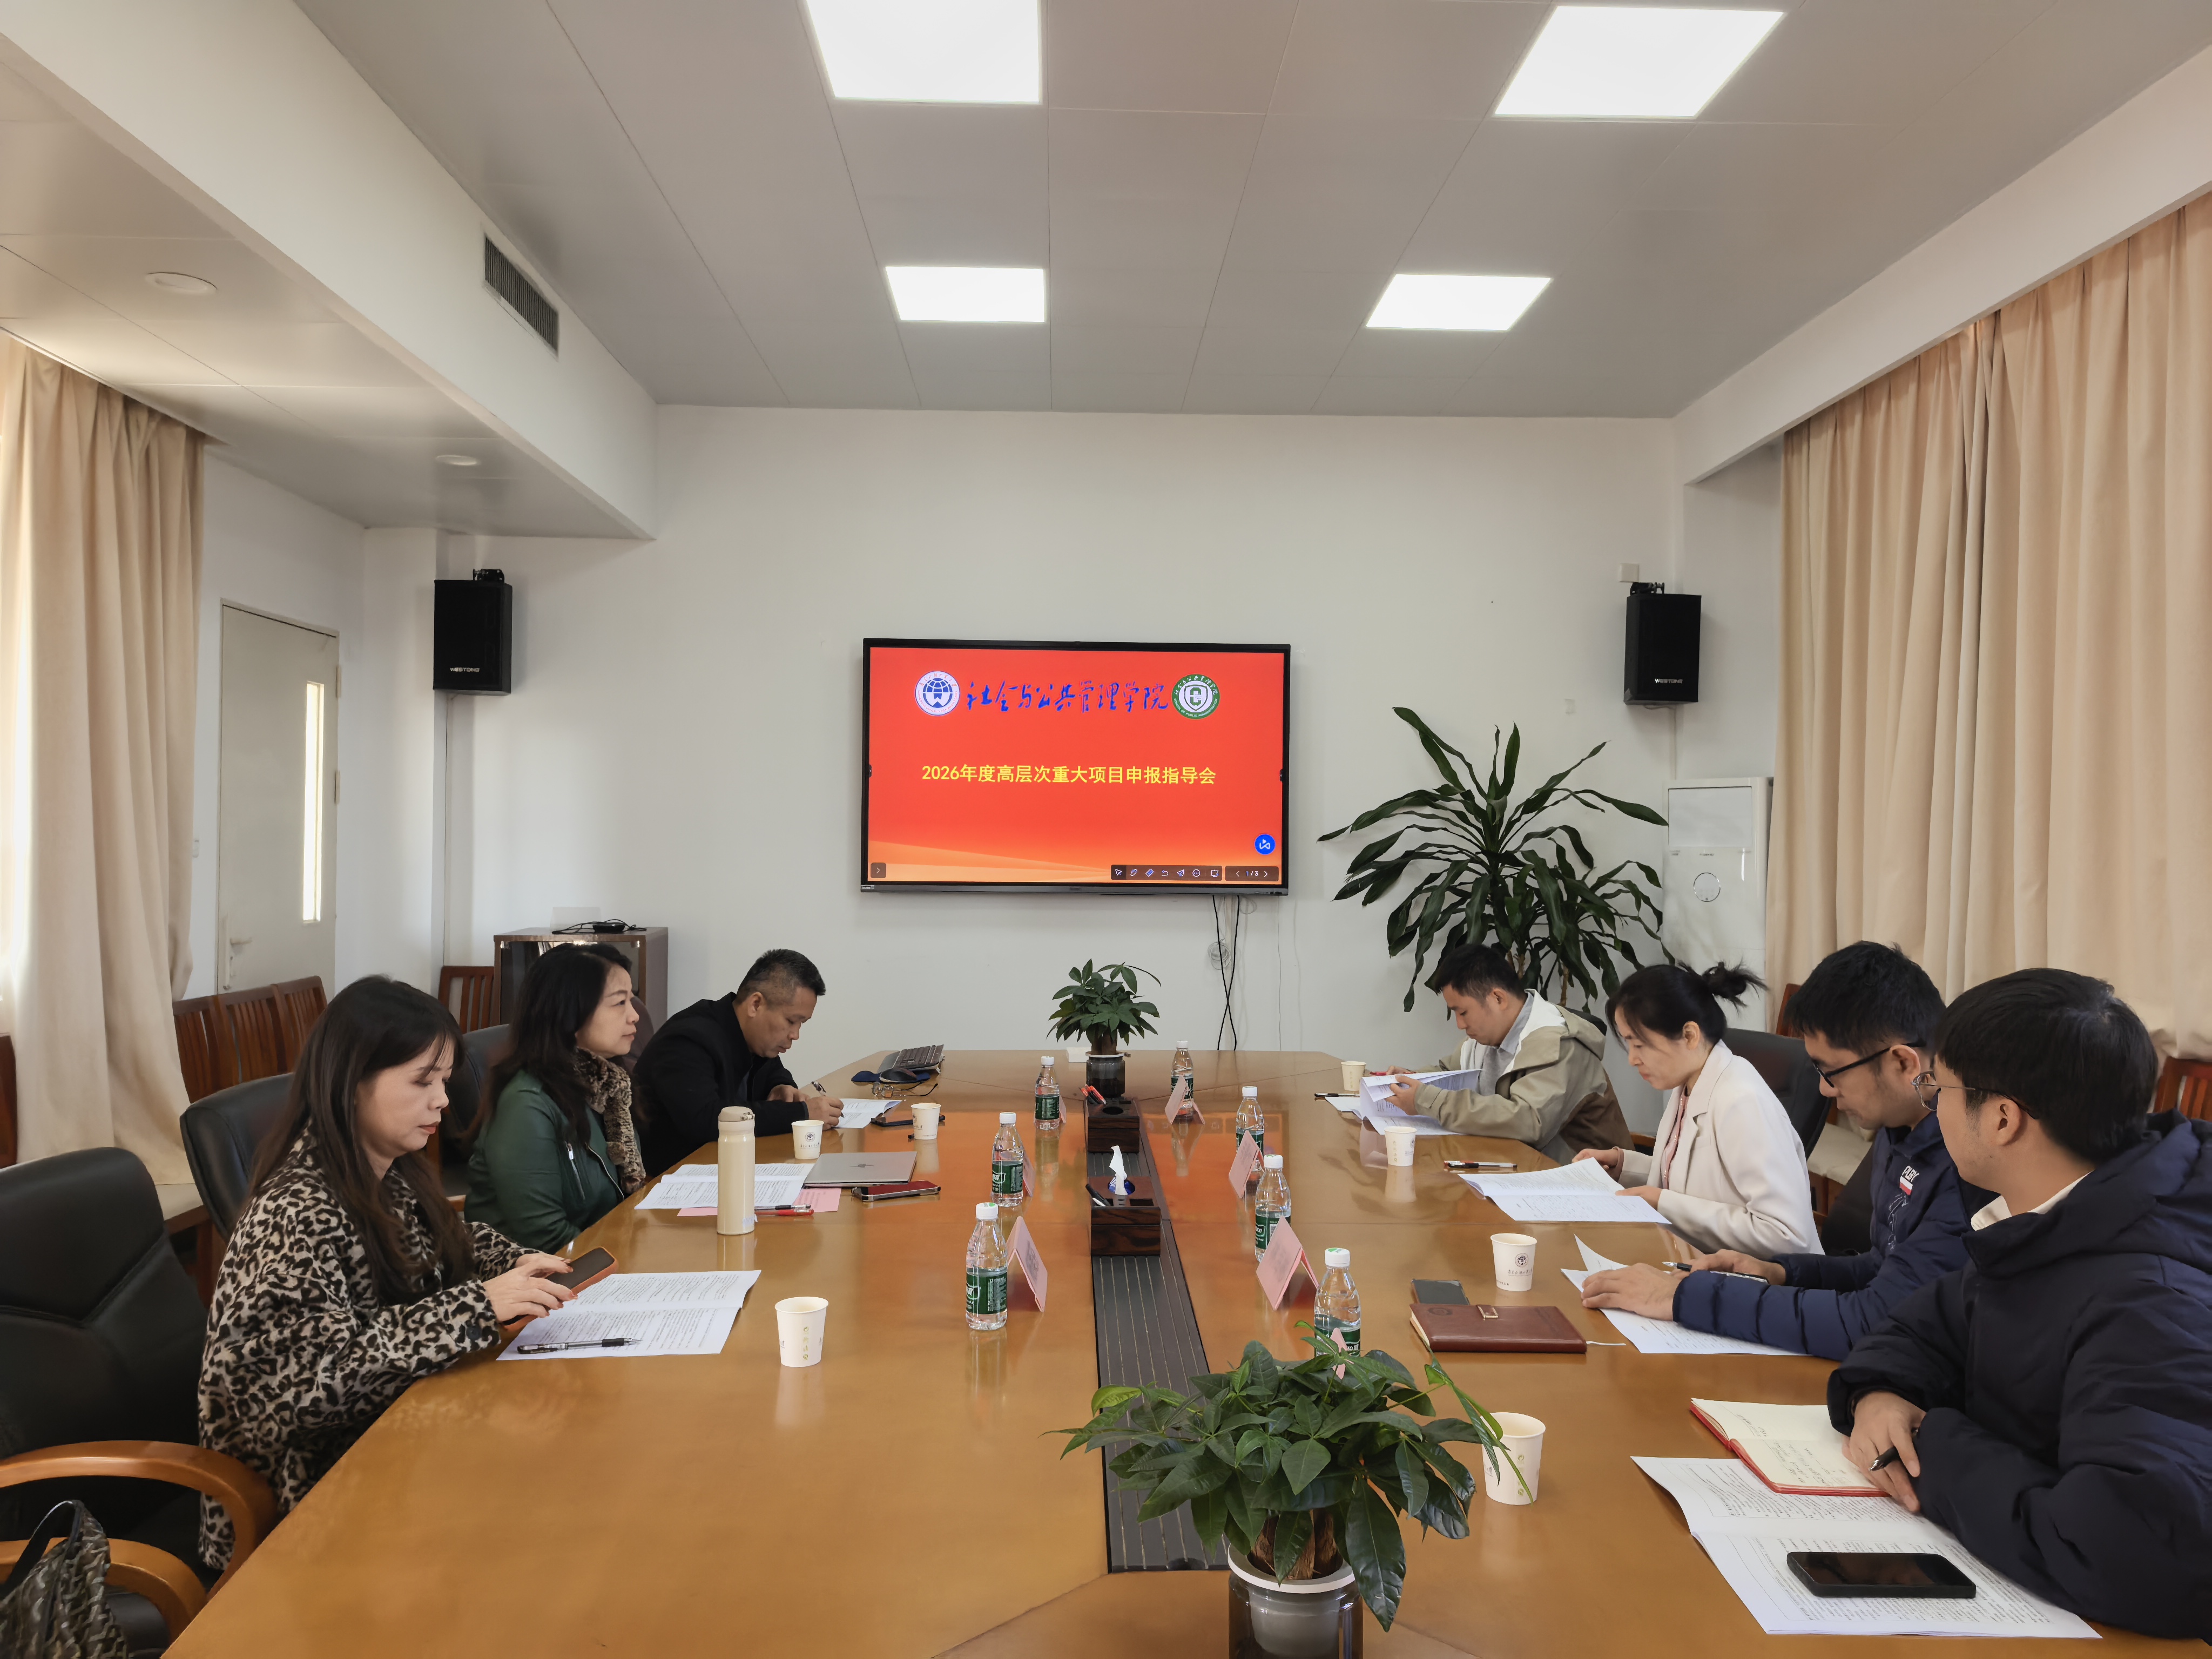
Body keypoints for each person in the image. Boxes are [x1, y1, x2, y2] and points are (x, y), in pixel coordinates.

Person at [1833, 969, 2211, 1640]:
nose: (1931, 1104)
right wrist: (1881, 1394)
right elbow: (1922, 1325)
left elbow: (2136, 1557)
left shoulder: (2149, 1296)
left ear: (2003, 1119)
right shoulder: (2054, 1217)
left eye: (1940, 1088)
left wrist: (1931, 1444)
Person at [198, 976, 576, 1570]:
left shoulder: (384, 1173)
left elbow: (451, 1244)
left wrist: (514, 1264)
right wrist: (477, 1306)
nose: (443, 1100)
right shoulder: (294, 1211)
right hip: (312, 1498)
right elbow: (311, 1382)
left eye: (445, 1081)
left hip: (398, 1443)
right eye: (423, 1081)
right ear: (352, 1083)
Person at [1580, 942, 1974, 1355]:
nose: (1824, 1089)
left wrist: (1684, 1297)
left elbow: (1872, 1319)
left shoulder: (1962, 1165)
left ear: (1904, 1063)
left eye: (1831, 1071)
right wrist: (1781, 1272)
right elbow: (1882, 1268)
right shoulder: (1901, 1129)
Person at [1573, 962, 1819, 1256]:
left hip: (1763, 1278)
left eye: (1639, 1045)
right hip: (1691, 1258)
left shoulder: (1742, 1101)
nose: (1633, 1060)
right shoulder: (1689, 1083)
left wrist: (1662, 1203)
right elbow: (1700, 1180)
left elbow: (1786, 1236)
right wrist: (1624, 1165)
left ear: (1689, 1035)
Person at [464, 943, 647, 1254]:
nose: (634, 1016)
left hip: (602, 1252)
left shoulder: (609, 1088)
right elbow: (545, 1238)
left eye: (632, 1000)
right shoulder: (527, 1103)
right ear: (569, 1013)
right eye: (620, 1003)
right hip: (537, 1273)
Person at [1381, 943, 1629, 1159]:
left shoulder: (1559, 1043)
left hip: (1583, 1181)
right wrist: (1410, 1080)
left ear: (1498, 998)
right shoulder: (1487, 1038)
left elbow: (1527, 1121)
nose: (1460, 1024)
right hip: (1511, 1166)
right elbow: (1449, 1073)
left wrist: (1429, 1100)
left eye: (1463, 1012)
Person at [635, 948, 843, 1174]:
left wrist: (781, 1086)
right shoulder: (689, 1039)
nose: (796, 1034)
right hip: (670, 1178)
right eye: (791, 1021)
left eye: (802, 1023)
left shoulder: (752, 1037)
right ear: (756, 1004)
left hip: (727, 1166)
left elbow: (773, 1070)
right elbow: (705, 1119)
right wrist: (801, 1114)